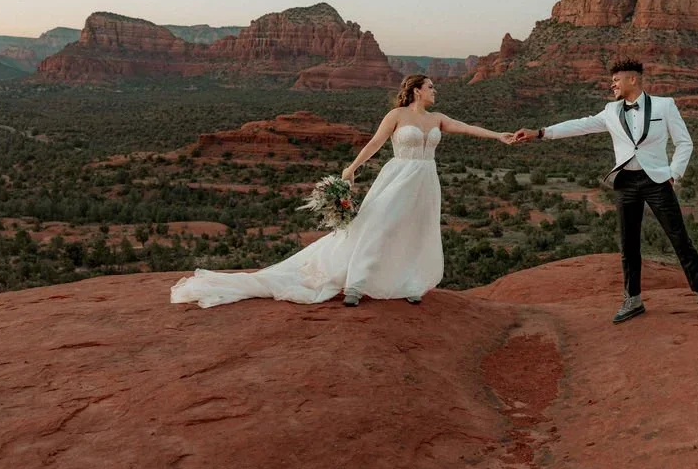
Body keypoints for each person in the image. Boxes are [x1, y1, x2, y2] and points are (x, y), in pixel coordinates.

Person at [171, 74, 514, 309]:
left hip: (426, 180)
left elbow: (468, 128)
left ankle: (411, 284)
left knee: (416, 230)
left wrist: (500, 135)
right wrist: (351, 169)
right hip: (397, 177)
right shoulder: (396, 114)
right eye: (430, 87)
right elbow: (376, 143)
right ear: (415, 91)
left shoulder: (437, 117)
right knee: (378, 224)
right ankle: (355, 284)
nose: (434, 91)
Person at [513, 59, 698, 323]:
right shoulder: (611, 111)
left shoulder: (664, 105)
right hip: (625, 182)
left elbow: (684, 143)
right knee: (629, 243)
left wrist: (673, 174)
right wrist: (541, 133)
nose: (612, 84)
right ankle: (633, 299)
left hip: (657, 181)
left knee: (680, 240)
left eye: (616, 80)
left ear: (632, 80)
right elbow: (580, 125)